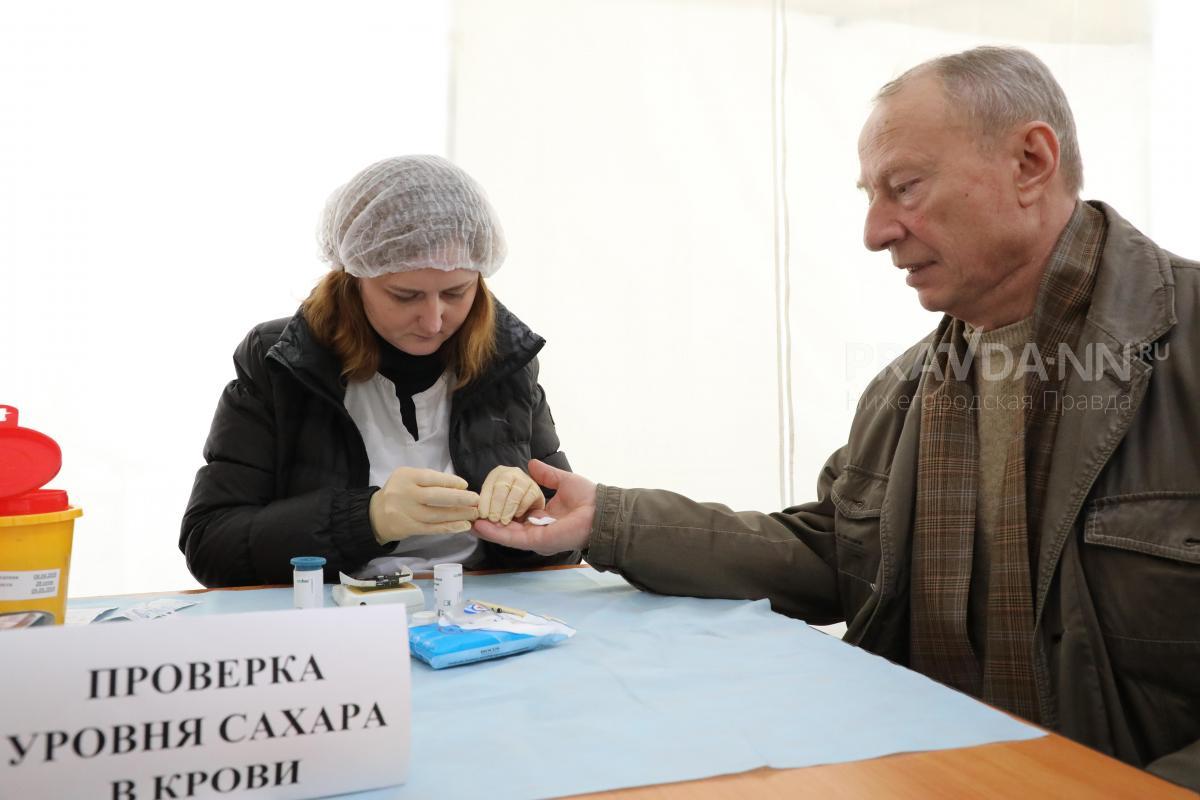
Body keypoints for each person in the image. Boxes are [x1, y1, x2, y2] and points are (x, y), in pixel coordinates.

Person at [472, 48, 1200, 789]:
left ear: (1030, 161)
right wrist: (611, 520)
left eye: (906, 188)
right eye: (870, 196)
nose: (876, 231)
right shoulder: (906, 388)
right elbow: (835, 554)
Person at [182, 155, 578, 587]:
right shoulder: (281, 363)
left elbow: (568, 545)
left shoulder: (506, 361)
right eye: (405, 295)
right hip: (337, 619)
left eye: (456, 292)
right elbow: (211, 546)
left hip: (480, 617)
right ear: (353, 276)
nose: (433, 321)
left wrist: (535, 519)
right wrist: (370, 518)